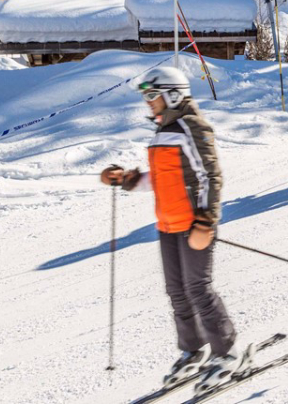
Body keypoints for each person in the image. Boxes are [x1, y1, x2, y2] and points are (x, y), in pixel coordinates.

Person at [100, 66, 246, 394]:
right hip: (167, 224)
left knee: (199, 290)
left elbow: (211, 176)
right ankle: (192, 350)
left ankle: (226, 353)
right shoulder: (161, 133)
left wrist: (206, 221)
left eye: (153, 95)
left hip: (193, 224)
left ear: (174, 94)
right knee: (176, 291)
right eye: (146, 96)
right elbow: (161, 179)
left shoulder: (192, 127)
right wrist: (126, 179)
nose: (149, 102)